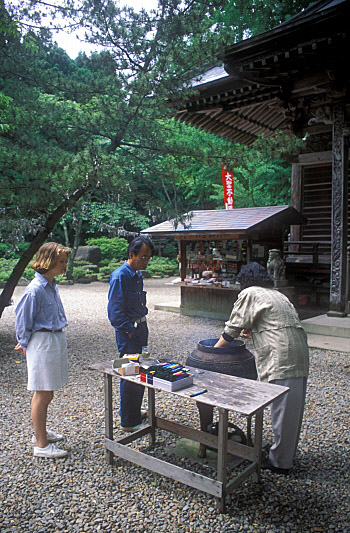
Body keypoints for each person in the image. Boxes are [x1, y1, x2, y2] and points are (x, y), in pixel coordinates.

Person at [214, 262, 309, 475]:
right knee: (293, 410)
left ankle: (280, 464)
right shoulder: (277, 294)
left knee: (282, 410)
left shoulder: (249, 292)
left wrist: (214, 351)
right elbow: (270, 321)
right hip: (299, 350)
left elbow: (232, 330)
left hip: (281, 353)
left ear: (244, 280)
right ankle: (282, 453)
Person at [14, 242, 71, 459]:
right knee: (42, 391)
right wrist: (24, 342)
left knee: (48, 391)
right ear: (48, 262)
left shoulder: (51, 284)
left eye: (65, 261)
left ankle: (41, 432)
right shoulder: (35, 289)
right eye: (61, 262)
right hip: (42, 342)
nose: (65, 266)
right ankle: (40, 444)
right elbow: (22, 319)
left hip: (53, 339)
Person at [107, 235, 154, 432]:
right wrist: (130, 331)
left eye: (148, 257)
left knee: (141, 370)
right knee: (129, 373)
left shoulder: (137, 274)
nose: (145, 261)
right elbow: (114, 313)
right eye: (142, 257)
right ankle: (128, 421)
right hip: (129, 333)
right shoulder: (120, 276)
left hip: (140, 328)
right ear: (131, 255)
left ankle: (134, 412)